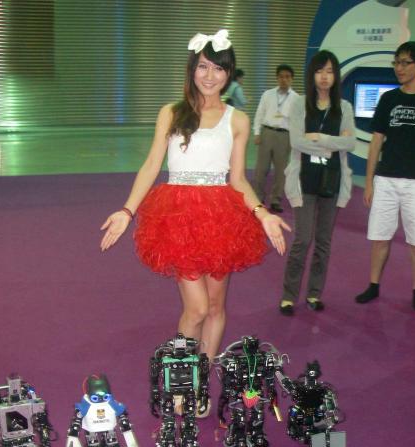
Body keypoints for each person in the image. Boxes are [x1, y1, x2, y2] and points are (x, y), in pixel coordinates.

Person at [100, 29, 290, 363]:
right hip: (179, 217)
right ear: (192, 69)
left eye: (218, 68)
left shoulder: (238, 120)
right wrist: (127, 211)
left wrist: (263, 214)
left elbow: (238, 179)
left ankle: (201, 374)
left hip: (221, 218)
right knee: (197, 308)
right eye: (203, 66)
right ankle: (182, 375)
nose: (210, 76)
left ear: (228, 73)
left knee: (215, 306)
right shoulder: (171, 113)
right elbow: (151, 165)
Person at [355, 41, 415, 312]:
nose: (399, 68)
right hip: (386, 179)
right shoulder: (388, 99)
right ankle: (373, 284)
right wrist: (369, 182)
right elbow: (376, 142)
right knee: (380, 236)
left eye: (405, 63)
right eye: (396, 62)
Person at [280, 50, 356, 315]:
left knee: (323, 242)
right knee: (303, 239)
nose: (324, 77)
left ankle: (314, 293)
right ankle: (289, 296)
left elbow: (350, 142)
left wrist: (319, 138)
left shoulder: (344, 108)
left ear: (336, 76)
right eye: (320, 71)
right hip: (304, 181)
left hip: (331, 182)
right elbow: (296, 141)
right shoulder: (300, 104)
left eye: (330, 71)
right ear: (312, 74)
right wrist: (332, 144)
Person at [252, 64, 299, 213]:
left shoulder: (297, 99)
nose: (284, 79)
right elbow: (259, 113)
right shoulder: (268, 94)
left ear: (292, 79)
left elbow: (298, 121)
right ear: (277, 78)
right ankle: (258, 198)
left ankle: (276, 200)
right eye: (281, 76)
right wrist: (257, 132)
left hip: (285, 136)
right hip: (267, 133)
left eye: (287, 77)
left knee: (281, 171)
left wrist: (295, 140)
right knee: (261, 169)